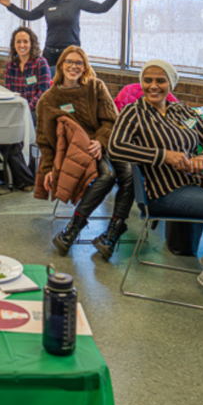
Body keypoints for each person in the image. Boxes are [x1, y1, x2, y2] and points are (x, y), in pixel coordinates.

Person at [109, 59, 203, 306]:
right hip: (163, 191)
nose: (153, 86)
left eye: (160, 81)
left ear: (171, 84)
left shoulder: (182, 110)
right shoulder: (133, 112)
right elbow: (115, 147)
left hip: (196, 181)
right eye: (148, 80)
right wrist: (163, 155)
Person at [36, 47, 134, 260]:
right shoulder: (48, 99)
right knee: (106, 176)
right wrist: (47, 169)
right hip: (78, 150)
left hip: (105, 141)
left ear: (85, 66)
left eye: (79, 63)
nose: (74, 66)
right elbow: (44, 139)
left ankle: (111, 235)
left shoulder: (96, 86)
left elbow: (111, 120)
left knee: (129, 175)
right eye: (69, 62)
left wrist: (100, 141)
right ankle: (71, 230)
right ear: (61, 65)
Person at [0, 0, 131, 71]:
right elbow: (30, 16)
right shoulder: (47, 4)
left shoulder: (75, 0)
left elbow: (102, 8)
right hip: (50, 53)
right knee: (48, 87)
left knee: (69, 87)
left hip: (70, 52)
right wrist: (10, 6)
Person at [0, 26, 50, 190]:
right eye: (18, 42)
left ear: (32, 44)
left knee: (13, 130)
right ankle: (7, 174)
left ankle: (20, 178)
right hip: (17, 109)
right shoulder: (11, 66)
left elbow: (44, 93)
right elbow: (9, 92)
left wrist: (26, 107)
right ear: (14, 45)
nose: (22, 45)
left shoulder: (40, 63)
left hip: (35, 110)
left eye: (25, 41)